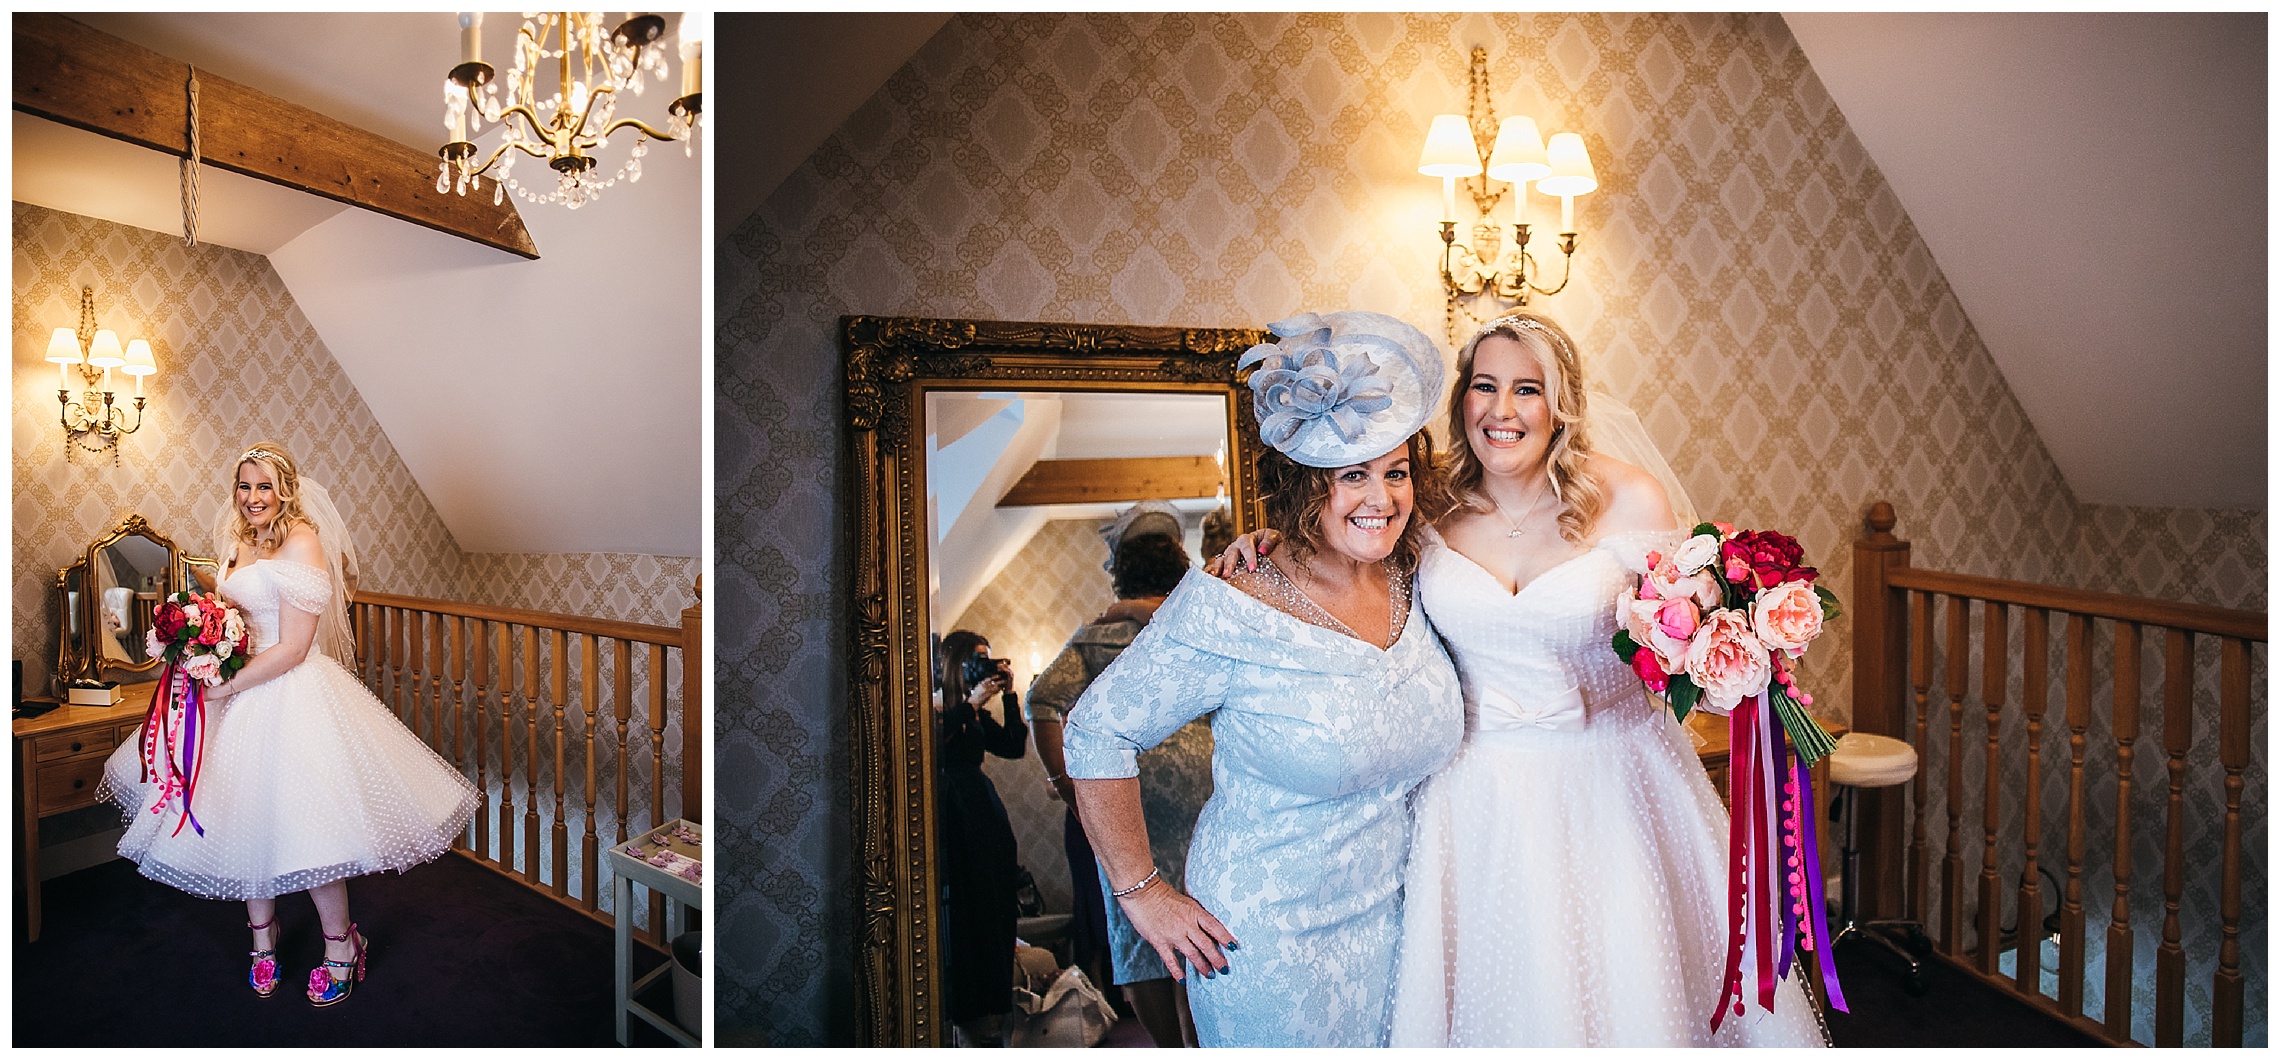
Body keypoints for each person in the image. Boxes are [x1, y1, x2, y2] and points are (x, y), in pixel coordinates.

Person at [1218, 314, 1827, 1046]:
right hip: (1474, 797)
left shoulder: (1631, 498)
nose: (1501, 411)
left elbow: (1681, 628)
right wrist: (1274, 544)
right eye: (1484, 386)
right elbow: (1348, 539)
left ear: (1559, 404)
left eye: (1526, 389)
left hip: (1617, 788)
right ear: (1461, 401)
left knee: (1634, 993)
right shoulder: (1424, 504)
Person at [1063, 311, 1466, 1047]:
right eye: (1352, 476)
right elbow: (1095, 730)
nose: (1381, 498)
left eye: (1396, 471)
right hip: (1272, 945)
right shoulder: (1232, 603)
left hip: (1404, 923)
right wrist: (1142, 894)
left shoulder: (1418, 573)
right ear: (1307, 486)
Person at [99, 443, 479, 1006]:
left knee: (311, 829)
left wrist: (223, 683)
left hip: (287, 695)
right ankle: (263, 940)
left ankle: (341, 945)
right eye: (244, 486)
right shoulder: (235, 541)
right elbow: (232, 619)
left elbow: (296, 646)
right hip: (234, 693)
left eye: (263, 486)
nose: (252, 498)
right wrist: (202, 649)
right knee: (246, 823)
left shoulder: (303, 540)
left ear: (286, 490)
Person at [1026, 508, 1204, 1047]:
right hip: (1205, 789)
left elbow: (1041, 701)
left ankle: (1170, 1047)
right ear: (1178, 561)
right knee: (1202, 912)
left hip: (1128, 795)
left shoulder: (1101, 633)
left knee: (1139, 918)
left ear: (1122, 568)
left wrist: (1070, 788)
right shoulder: (1194, 616)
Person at [933, 629, 1028, 1046]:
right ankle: (970, 1013)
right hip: (954, 813)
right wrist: (970, 703)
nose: (984, 667)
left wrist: (1010, 696)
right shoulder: (935, 707)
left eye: (989, 660)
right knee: (968, 909)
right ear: (956, 663)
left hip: (982, 812)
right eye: (977, 660)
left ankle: (995, 1003)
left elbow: (1011, 747)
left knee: (994, 901)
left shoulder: (974, 713)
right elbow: (930, 746)